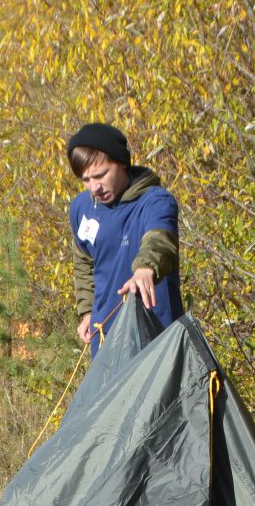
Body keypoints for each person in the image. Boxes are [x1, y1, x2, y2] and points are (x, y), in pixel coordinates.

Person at [66, 122, 183, 356]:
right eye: (86, 180)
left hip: (156, 339)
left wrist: (145, 269)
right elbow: (83, 261)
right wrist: (88, 311)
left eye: (101, 175)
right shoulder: (81, 208)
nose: (95, 187)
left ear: (121, 163)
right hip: (106, 339)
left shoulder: (156, 201)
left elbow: (160, 240)